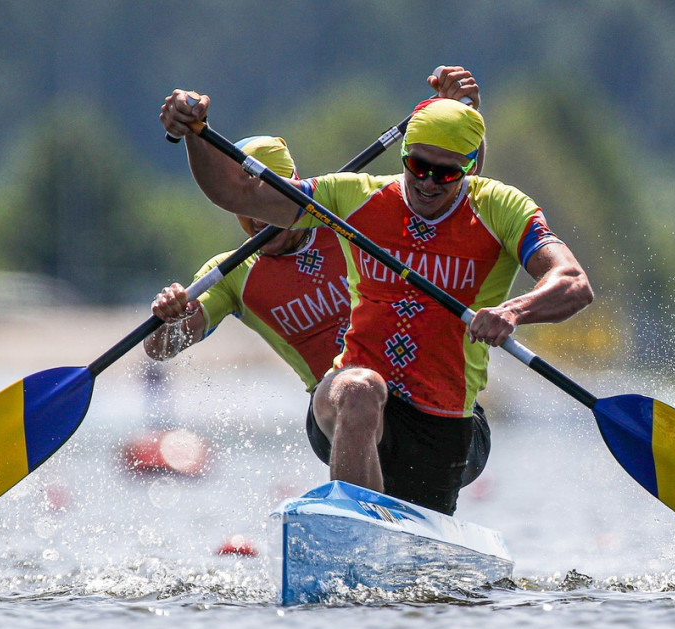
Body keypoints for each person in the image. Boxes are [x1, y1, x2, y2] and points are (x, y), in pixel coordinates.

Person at [158, 67, 593, 515]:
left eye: (444, 174)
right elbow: (235, 193)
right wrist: (195, 132)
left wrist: (514, 311)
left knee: (421, 517)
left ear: (471, 167)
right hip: (348, 402)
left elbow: (574, 283)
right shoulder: (353, 199)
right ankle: (354, 525)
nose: (427, 182)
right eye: (418, 166)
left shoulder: (501, 207)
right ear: (402, 155)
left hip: (445, 419)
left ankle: (389, 534)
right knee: (361, 389)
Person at [146, 68, 491, 487]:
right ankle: (356, 521)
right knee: (359, 395)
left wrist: (456, 114)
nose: (258, 220)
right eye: (246, 208)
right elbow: (161, 347)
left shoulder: (347, 220)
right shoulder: (233, 274)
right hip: (342, 415)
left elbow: (454, 201)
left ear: (289, 192)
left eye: (267, 202)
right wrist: (169, 316)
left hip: (439, 412)